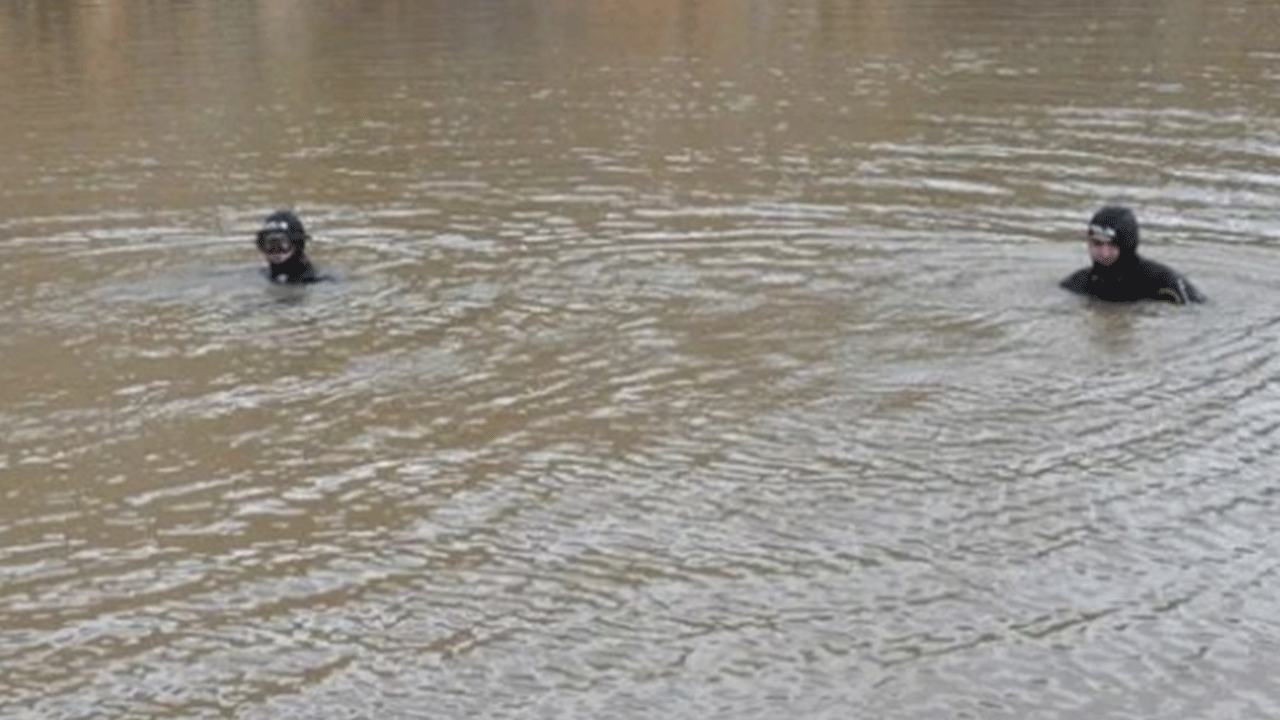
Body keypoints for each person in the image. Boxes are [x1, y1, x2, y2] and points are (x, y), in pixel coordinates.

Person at [1060, 206, 1205, 305]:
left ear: (1128, 245)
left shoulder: (1164, 283)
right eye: (1097, 244)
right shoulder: (1077, 284)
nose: (1104, 253)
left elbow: (1200, 314)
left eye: (1113, 245)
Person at [254, 209, 328, 283]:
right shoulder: (261, 274)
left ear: (297, 245)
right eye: (270, 244)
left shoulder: (319, 280)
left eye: (281, 243)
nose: (275, 251)